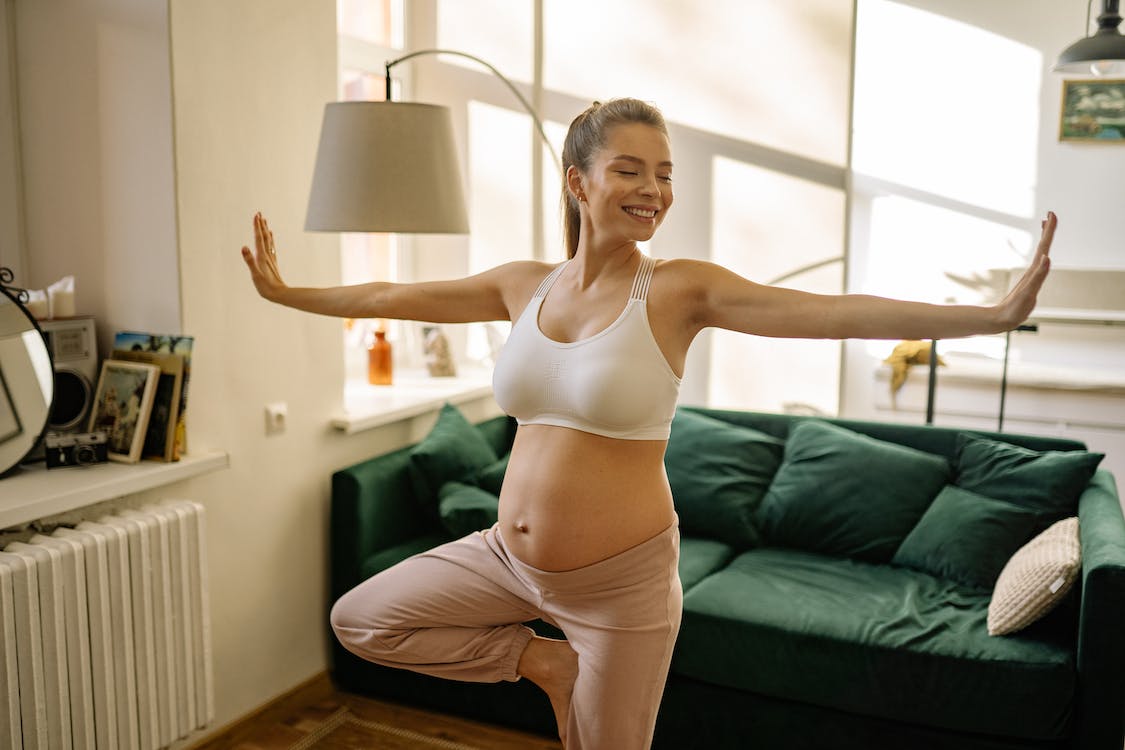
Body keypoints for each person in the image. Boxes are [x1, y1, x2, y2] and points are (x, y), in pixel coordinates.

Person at [241, 98, 1055, 749]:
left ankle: (565, 669)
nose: (653, 190)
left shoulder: (675, 290)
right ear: (577, 181)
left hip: (619, 585)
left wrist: (988, 316)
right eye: (628, 169)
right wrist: (289, 294)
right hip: (504, 559)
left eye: (663, 174)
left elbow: (829, 314)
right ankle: (544, 666)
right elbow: (388, 299)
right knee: (361, 619)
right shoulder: (522, 285)